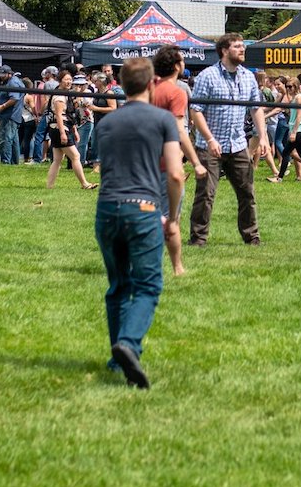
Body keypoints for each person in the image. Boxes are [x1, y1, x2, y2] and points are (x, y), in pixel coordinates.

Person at [89, 56, 183, 390]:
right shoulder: (162, 119)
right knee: (147, 285)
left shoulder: (105, 124)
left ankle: (118, 360)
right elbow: (174, 173)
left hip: (106, 209)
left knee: (117, 286)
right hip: (143, 208)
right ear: (152, 83)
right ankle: (128, 343)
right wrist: (171, 218)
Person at [188, 33, 272, 248]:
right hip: (210, 146)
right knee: (206, 194)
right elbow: (196, 111)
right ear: (224, 50)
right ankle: (198, 239)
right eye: (237, 46)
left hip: (238, 145)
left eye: (243, 46)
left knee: (247, 193)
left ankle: (252, 237)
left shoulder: (247, 77)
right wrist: (209, 139)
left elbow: (256, 109)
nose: (242, 49)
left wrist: (262, 137)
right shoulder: (207, 76)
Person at [150, 45, 209, 276]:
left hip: (143, 160)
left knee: (148, 211)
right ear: (176, 66)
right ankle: (176, 267)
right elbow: (179, 130)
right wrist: (196, 161)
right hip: (166, 160)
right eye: (182, 61)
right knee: (171, 218)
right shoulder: (176, 92)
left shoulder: (148, 86)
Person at [46, 73, 96, 190]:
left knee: (57, 160)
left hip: (59, 128)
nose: (69, 82)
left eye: (70, 80)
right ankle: (84, 184)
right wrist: (63, 133)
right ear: (60, 81)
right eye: (66, 80)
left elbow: (68, 115)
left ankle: (49, 186)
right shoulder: (59, 97)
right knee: (76, 156)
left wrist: (74, 131)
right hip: (60, 129)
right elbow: (59, 115)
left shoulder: (64, 93)